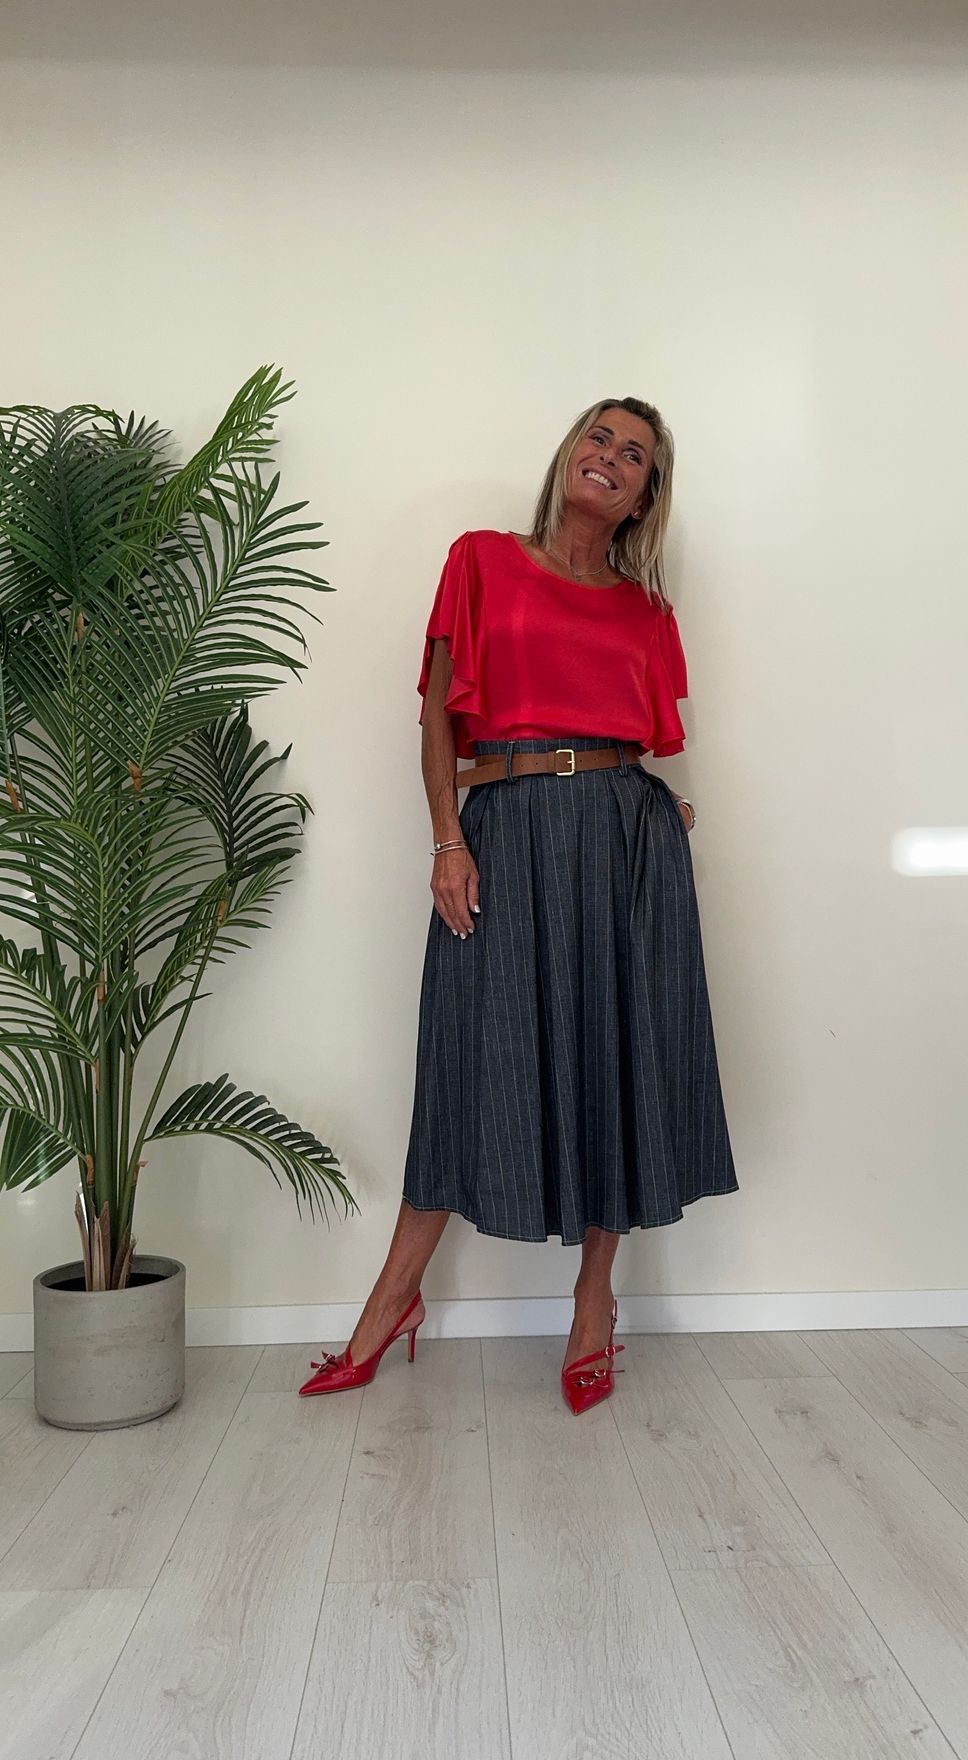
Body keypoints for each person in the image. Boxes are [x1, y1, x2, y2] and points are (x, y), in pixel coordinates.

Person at [300, 396, 738, 1414]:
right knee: (465, 1059)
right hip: (500, 832)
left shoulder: (645, 612)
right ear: (569, 453)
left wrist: (651, 808)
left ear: (644, 497)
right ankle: (392, 1299)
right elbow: (435, 716)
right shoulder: (480, 562)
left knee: (616, 1061)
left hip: (623, 846)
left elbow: (632, 737)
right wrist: (446, 838)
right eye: (599, 437)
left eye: (635, 456)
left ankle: (593, 1303)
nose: (610, 457)